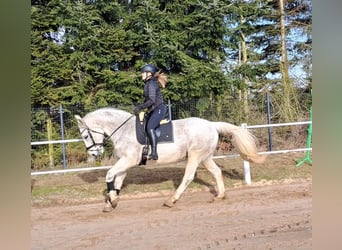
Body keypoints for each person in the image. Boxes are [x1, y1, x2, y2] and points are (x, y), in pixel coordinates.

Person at [134, 64, 168, 160]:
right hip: (154, 110)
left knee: (150, 127)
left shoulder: (152, 84)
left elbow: (152, 100)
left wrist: (140, 107)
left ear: (149, 74)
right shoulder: (149, 84)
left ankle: (154, 153)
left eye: (143, 73)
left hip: (159, 109)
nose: (141, 75)